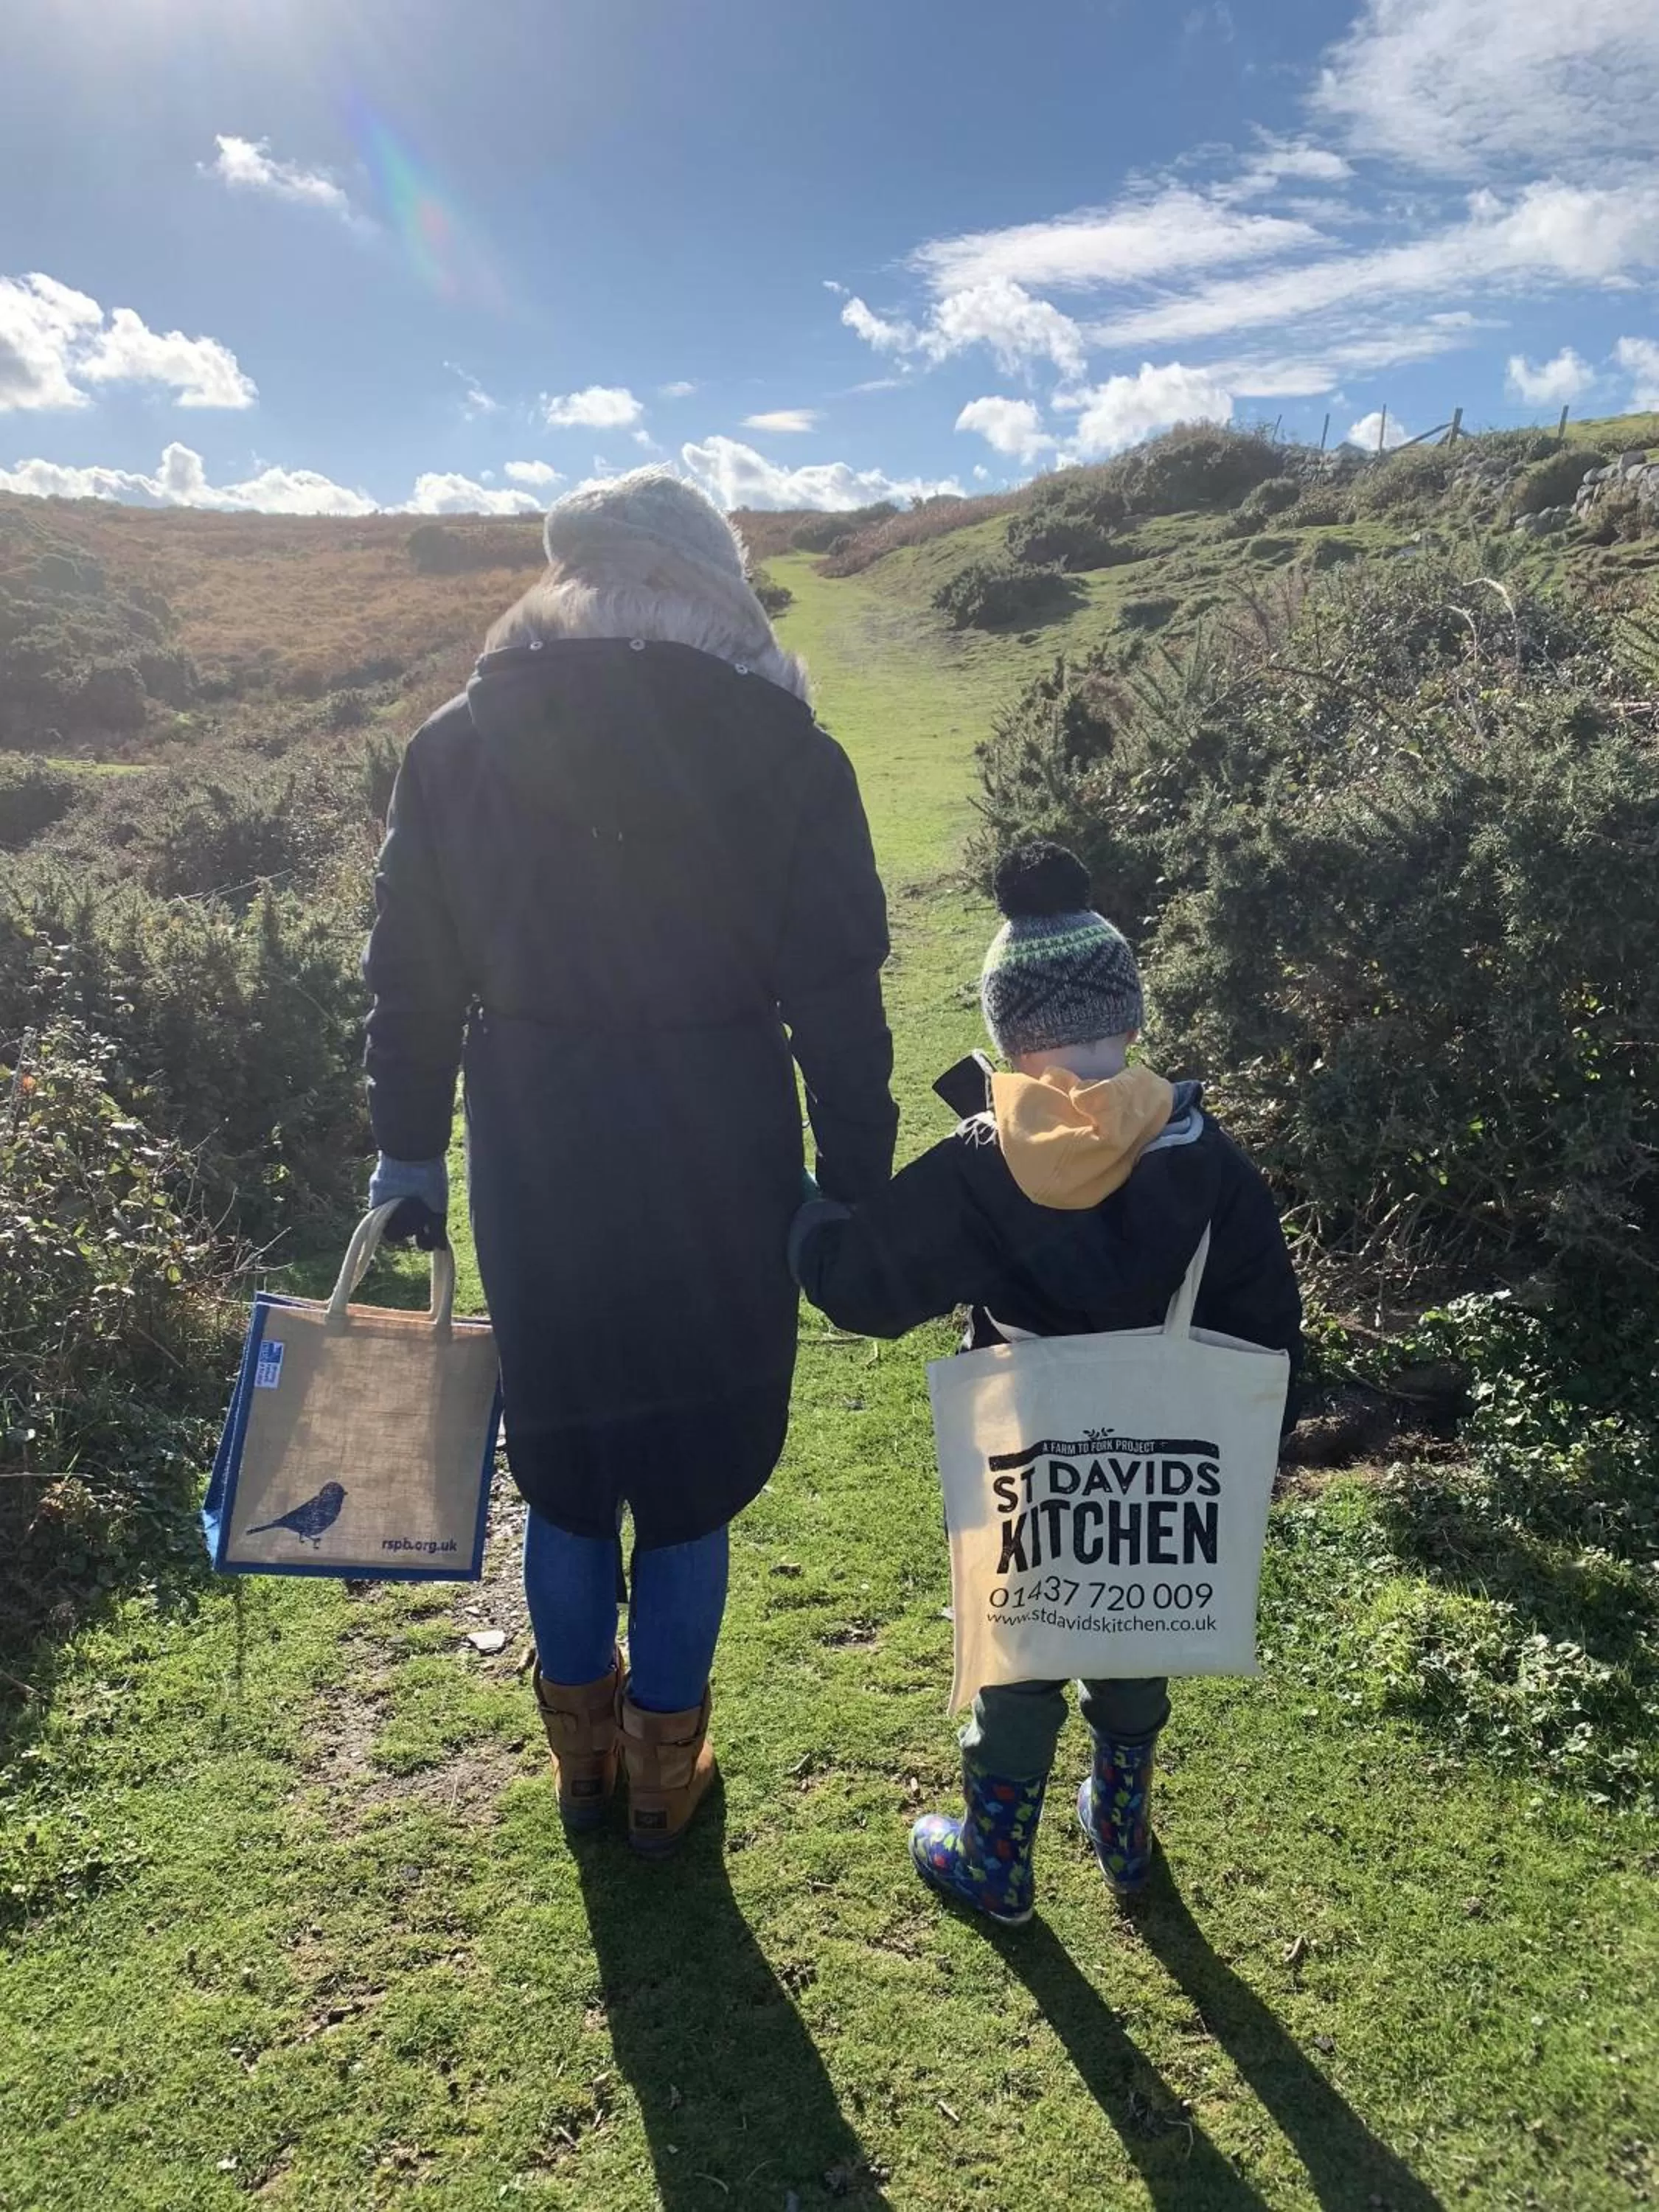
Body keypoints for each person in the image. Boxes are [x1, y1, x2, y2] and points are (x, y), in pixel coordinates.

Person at [363, 469, 897, 1856]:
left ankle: (582, 1771)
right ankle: (668, 1774)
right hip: (720, 1138)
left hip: (536, 1144)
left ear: (569, 575)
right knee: (693, 1461)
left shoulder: (454, 744)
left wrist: (408, 1156)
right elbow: (838, 999)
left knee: (561, 1459)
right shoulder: (791, 750)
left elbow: (409, 982)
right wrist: (848, 1181)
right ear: (713, 581)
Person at [790, 839, 1301, 1923]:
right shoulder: (1205, 1153)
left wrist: (809, 1214)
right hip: (1170, 1440)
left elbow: (861, 1292)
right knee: (1137, 1609)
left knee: (1020, 1632)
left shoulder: (984, 1159)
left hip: (1019, 1428)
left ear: (1007, 1031)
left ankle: (994, 1858)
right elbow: (1265, 1329)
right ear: (1130, 1012)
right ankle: (1120, 1833)